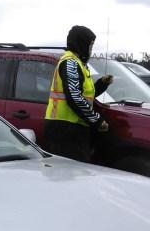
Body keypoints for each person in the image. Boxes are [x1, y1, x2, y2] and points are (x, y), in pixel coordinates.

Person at [44, 25, 113, 162]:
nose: (91, 49)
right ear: (81, 43)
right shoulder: (70, 63)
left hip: (74, 128)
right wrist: (97, 120)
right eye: (90, 45)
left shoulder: (78, 63)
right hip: (64, 129)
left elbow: (84, 95)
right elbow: (75, 97)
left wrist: (102, 84)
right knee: (69, 175)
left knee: (76, 175)